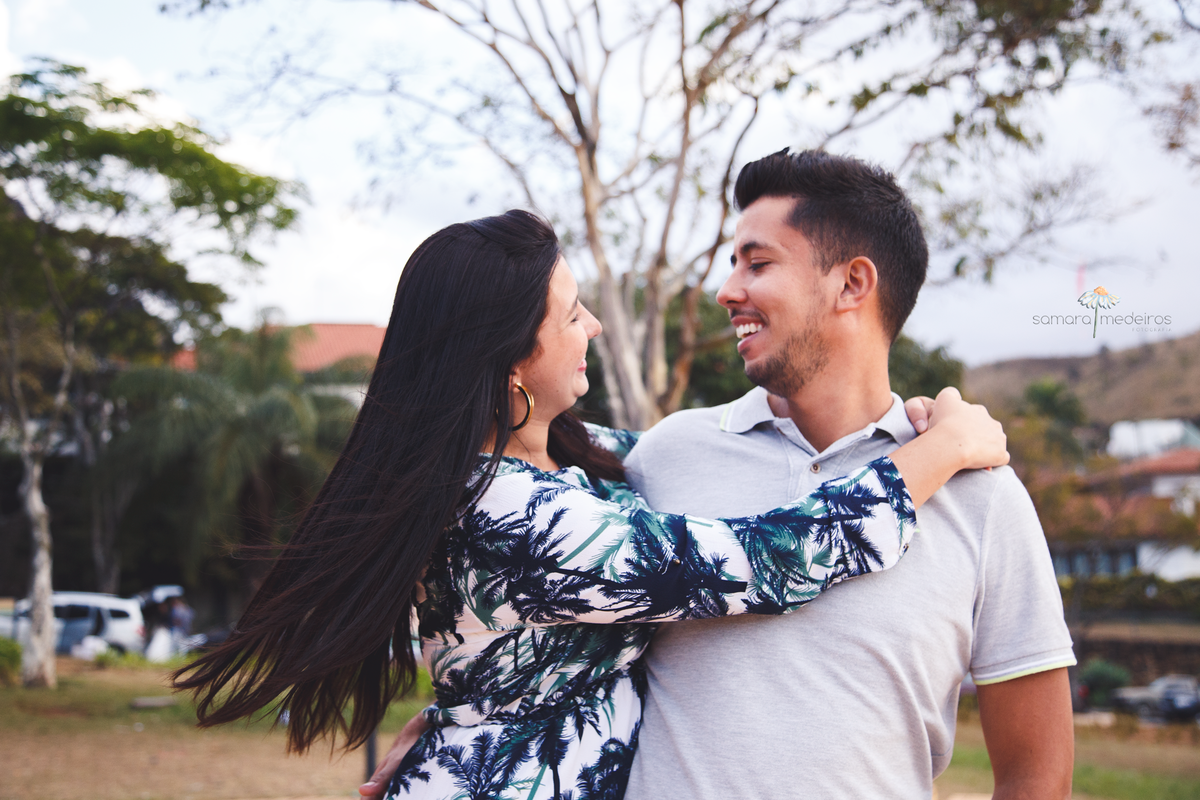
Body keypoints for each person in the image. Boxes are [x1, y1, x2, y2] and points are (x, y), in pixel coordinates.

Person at [172, 210, 1007, 800]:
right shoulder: (511, 512)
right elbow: (764, 560)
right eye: (571, 314)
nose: (596, 327)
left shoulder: (564, 454)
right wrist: (940, 450)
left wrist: (888, 425)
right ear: (509, 359)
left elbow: (714, 460)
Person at [615, 150, 1076, 799]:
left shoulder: (982, 494)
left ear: (852, 284)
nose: (727, 290)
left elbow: (1037, 773)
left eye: (758, 262)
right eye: (732, 263)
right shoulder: (666, 456)